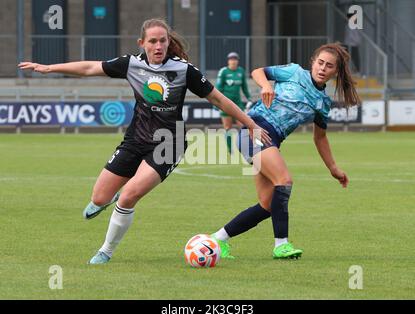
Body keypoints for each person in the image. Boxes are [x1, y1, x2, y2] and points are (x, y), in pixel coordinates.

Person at [18, 18, 270, 265]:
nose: (158, 46)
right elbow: (89, 68)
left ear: (168, 41)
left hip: (168, 144)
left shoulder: (184, 70)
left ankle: (105, 251)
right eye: (153, 41)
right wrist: (50, 68)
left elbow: (218, 99)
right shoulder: (131, 65)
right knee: (98, 198)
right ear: (142, 43)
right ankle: (108, 200)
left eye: (163, 40)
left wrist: (250, 124)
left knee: (128, 196)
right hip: (135, 139)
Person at [211, 43, 361, 259]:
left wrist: (333, 168)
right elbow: (258, 71)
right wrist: (266, 86)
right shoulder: (294, 72)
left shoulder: (323, 102)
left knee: (266, 205)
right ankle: (281, 245)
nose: (322, 68)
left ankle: (218, 239)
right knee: (284, 180)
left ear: (335, 72)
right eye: (320, 63)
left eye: (329, 66)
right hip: (254, 130)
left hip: (271, 141)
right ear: (313, 62)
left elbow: (320, 138)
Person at [215, 52, 252, 154]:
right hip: (225, 103)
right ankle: (230, 149)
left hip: (238, 103)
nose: (233, 61)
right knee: (228, 127)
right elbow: (218, 88)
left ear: (237, 61)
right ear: (228, 61)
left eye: (235, 59)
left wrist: (249, 98)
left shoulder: (241, 71)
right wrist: (216, 103)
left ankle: (245, 148)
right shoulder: (223, 72)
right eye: (231, 59)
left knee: (243, 126)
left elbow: (244, 86)